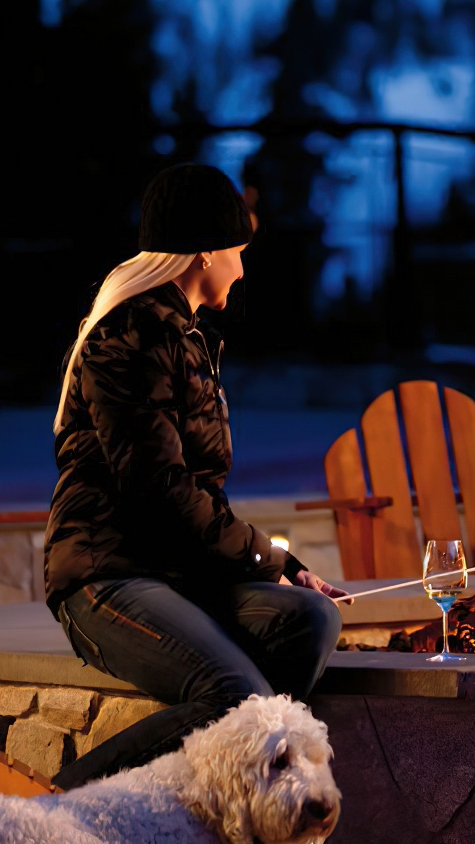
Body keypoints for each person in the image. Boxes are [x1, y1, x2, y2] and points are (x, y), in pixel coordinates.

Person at [45, 164, 346, 790]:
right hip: (108, 574)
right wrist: (266, 555)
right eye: (237, 251)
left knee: (310, 619)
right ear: (203, 251)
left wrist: (286, 570)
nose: (242, 267)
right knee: (240, 699)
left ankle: (222, 800)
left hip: (173, 571)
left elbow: (198, 499)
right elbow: (163, 493)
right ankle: (51, 809)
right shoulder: (127, 339)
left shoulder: (186, 339)